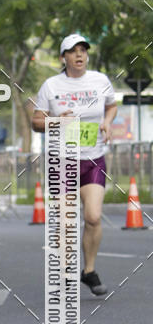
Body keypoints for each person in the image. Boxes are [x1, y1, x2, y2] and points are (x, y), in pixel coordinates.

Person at [32, 33, 118, 296]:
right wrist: (56, 122)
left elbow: (112, 105)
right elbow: (36, 122)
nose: (79, 55)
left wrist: (107, 121)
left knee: (92, 216)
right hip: (62, 160)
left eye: (83, 50)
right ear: (63, 57)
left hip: (94, 159)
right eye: (73, 51)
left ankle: (88, 271)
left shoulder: (100, 80)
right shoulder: (51, 85)